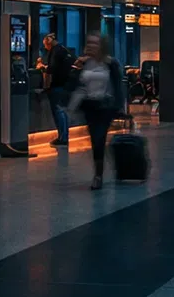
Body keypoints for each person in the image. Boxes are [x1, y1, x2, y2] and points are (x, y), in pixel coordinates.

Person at [66, 33, 126, 190]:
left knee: (99, 137)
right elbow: (75, 84)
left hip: (105, 106)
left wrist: (120, 106)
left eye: (95, 43)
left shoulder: (110, 63)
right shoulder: (85, 63)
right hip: (90, 106)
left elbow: (118, 86)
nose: (91, 46)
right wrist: (76, 67)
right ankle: (99, 168)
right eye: (89, 43)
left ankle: (98, 175)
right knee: (95, 139)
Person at [39, 33, 76, 148]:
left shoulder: (55, 51)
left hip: (57, 84)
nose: (45, 48)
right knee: (61, 111)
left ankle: (63, 137)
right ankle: (63, 136)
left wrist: (42, 67)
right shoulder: (64, 49)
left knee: (58, 111)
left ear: (49, 42)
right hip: (65, 84)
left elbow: (52, 69)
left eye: (46, 45)